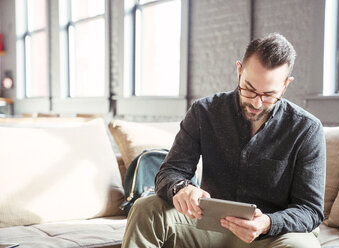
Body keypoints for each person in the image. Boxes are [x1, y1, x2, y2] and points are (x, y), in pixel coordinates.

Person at [121, 33, 326, 248]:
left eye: (268, 94)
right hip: (211, 226)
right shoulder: (204, 112)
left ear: (285, 85)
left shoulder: (307, 128)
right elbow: (169, 172)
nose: (257, 103)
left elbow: (310, 210)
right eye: (249, 89)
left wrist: (267, 223)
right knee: (146, 208)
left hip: (272, 234)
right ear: (239, 71)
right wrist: (182, 188)